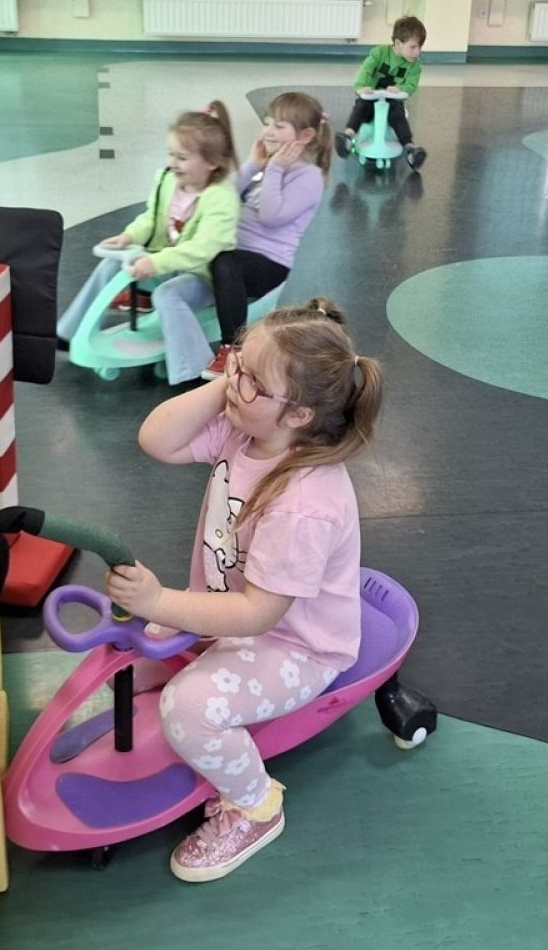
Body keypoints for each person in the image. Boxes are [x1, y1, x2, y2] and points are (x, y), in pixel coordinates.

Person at [107, 298, 382, 882]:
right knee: (131, 655)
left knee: (187, 707)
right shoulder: (246, 432)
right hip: (233, 612)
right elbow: (157, 439)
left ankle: (255, 807)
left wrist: (159, 602)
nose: (236, 381)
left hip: (297, 646)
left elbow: (259, 615)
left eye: (254, 381)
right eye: (236, 362)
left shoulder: (305, 502)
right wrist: (232, 387)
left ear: (299, 414)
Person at [54, 103, 238, 381]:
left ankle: (190, 368)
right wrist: (129, 236)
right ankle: (70, 331)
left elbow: (203, 248)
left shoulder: (222, 198)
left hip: (200, 277)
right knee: (110, 267)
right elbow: (150, 219)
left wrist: (155, 262)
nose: (173, 163)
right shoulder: (167, 180)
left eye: (182, 157)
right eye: (171, 154)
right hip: (164, 264)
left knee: (168, 294)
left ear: (212, 163)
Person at [199, 91, 332, 381]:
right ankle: (147, 295)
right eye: (267, 123)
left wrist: (274, 170)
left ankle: (234, 349)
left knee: (225, 262)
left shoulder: (309, 177)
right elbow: (222, 198)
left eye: (279, 126)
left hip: (269, 265)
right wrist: (252, 165)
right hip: (236, 252)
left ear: (306, 135)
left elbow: (271, 217)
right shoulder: (266, 167)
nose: (268, 131)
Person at [335, 15, 426, 169]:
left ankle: (409, 148)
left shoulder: (415, 65)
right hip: (371, 97)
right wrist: (361, 87)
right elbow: (366, 70)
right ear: (398, 43)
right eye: (413, 47)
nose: (417, 52)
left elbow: (411, 85)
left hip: (393, 101)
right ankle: (348, 137)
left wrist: (401, 89)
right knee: (361, 107)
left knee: (398, 116)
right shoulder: (379, 53)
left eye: (419, 47)